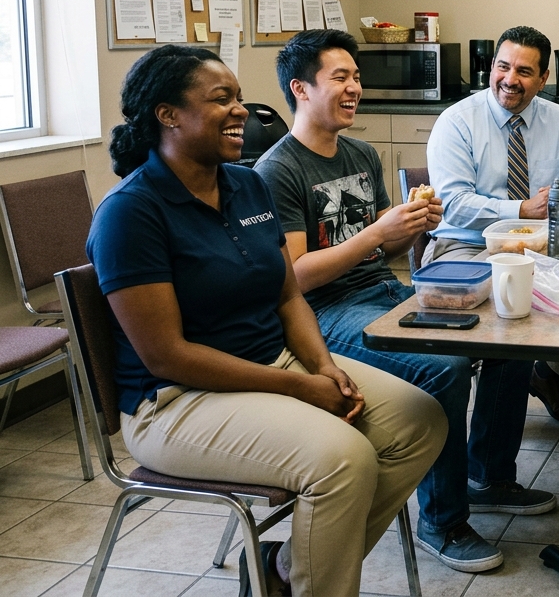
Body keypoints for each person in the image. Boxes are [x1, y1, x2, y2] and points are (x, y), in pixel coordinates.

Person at [87, 45, 446, 597]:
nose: (240, 110)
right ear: (168, 114)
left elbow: (286, 296)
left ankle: (290, 572)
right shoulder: (130, 213)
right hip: (175, 401)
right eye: (221, 99)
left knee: (420, 420)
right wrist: (300, 386)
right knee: (343, 459)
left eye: (238, 96)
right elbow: (167, 356)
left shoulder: (246, 185)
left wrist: (323, 365)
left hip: (269, 362)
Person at [256, 29, 555, 575]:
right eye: (340, 78)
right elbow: (294, 279)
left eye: (357, 77)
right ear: (300, 89)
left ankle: (489, 477)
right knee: (442, 367)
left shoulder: (361, 153)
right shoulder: (277, 171)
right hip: (324, 314)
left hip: (384, 290)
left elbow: (385, 247)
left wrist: (411, 225)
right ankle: (441, 520)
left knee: (512, 329)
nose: (355, 89)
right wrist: (376, 234)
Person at [425, 25, 559, 424]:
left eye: (524, 72)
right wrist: (522, 209)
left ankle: (548, 372)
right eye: (502, 67)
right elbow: (453, 205)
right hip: (466, 245)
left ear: (544, 79)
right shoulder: (457, 122)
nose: (509, 80)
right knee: (509, 319)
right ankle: (491, 471)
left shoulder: (558, 119)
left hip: (540, 244)